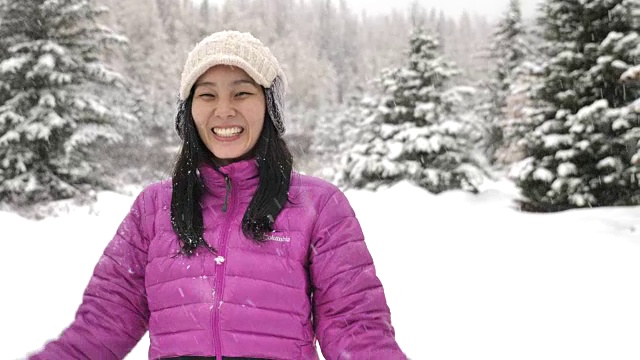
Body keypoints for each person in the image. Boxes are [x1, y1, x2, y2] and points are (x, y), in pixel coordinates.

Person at [28, 30, 406, 360]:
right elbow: (102, 325)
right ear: (189, 111)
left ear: (269, 106)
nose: (224, 110)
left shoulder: (318, 205)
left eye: (242, 92)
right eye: (207, 95)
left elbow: (356, 327)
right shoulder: (153, 209)